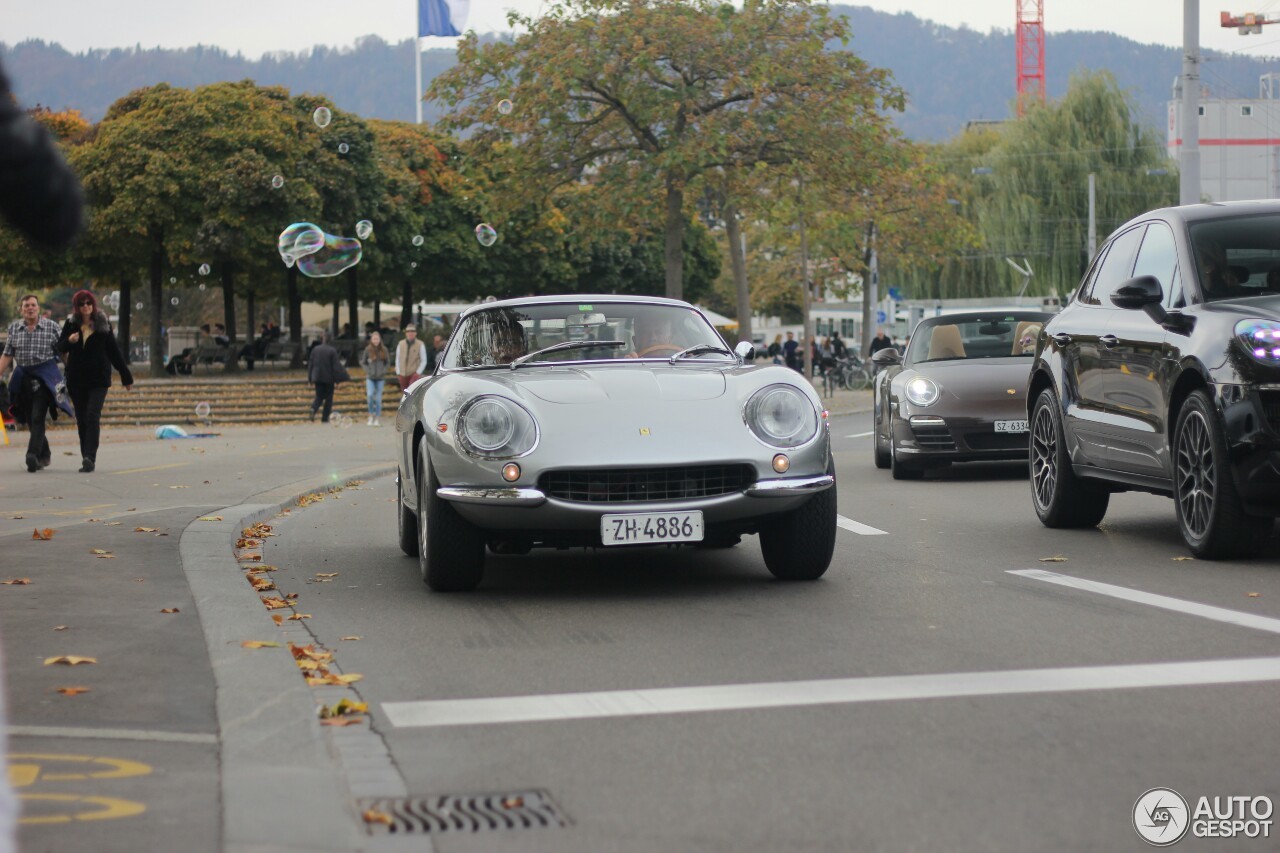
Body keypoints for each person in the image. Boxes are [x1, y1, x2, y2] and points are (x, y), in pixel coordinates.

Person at [0, 57, 86, 847]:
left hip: (39, 368)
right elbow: (57, 211)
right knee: (28, 403)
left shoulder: (43, 325)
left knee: (38, 398)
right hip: (23, 370)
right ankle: (35, 438)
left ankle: (38, 436)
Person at [57, 289, 134, 472]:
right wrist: (70, 340)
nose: (86, 307)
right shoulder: (71, 324)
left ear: (93, 305)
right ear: (77, 307)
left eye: (89, 303)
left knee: (92, 415)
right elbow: (59, 347)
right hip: (76, 378)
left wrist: (125, 375)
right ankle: (86, 457)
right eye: (82, 304)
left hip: (99, 378)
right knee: (82, 418)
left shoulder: (102, 324)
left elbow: (114, 352)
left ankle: (90, 456)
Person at [1, 294, 71, 472]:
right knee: (31, 419)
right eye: (26, 306)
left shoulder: (52, 327)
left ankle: (31, 455)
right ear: (21, 310)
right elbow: (8, 354)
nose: (30, 308)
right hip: (22, 377)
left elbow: (63, 352)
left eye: (33, 305)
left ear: (38, 308)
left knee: (38, 416)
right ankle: (44, 454)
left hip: (45, 377)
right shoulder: (15, 328)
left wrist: (73, 370)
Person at [307, 331, 347, 423]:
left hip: (317, 377)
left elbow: (310, 364)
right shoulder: (332, 350)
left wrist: (310, 379)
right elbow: (336, 367)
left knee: (319, 396)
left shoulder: (315, 349)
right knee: (329, 398)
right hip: (329, 378)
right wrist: (337, 381)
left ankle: (313, 408)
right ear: (330, 340)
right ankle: (325, 418)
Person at [360, 331, 389, 427]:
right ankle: (371, 414)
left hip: (380, 378)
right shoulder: (368, 350)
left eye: (377, 339)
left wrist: (383, 371)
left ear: (380, 340)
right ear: (371, 340)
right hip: (370, 377)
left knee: (378, 399)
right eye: (374, 339)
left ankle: (377, 417)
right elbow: (363, 362)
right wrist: (368, 370)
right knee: (370, 395)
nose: (376, 341)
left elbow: (387, 363)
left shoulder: (384, 350)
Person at [395, 324, 428, 391]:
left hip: (414, 374)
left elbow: (424, 360)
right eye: (408, 331)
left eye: (412, 331)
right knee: (404, 393)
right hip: (402, 374)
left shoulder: (420, 344)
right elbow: (397, 359)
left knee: (412, 392)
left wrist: (418, 372)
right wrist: (398, 372)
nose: (410, 333)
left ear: (415, 333)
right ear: (406, 333)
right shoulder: (400, 344)